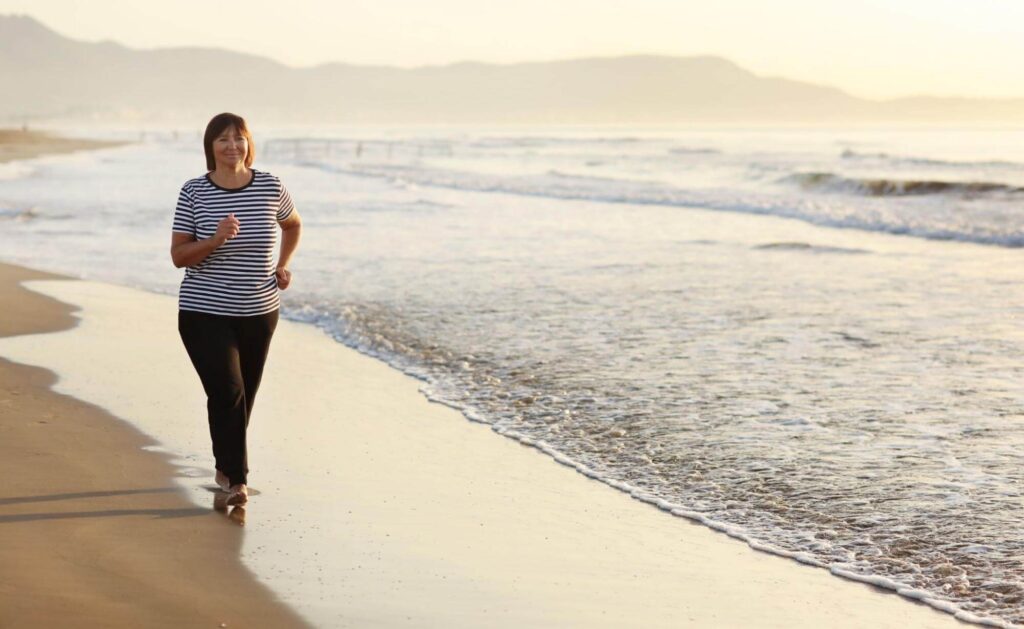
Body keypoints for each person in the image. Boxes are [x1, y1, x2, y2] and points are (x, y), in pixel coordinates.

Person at [170, 112, 302, 506]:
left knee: (243, 394)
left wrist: (284, 264)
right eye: (223, 140)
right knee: (228, 391)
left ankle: (225, 466)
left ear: (249, 143)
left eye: (239, 138)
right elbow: (179, 256)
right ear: (211, 148)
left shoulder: (270, 185)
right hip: (203, 312)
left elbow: (292, 225)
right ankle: (238, 480)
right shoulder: (194, 192)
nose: (232, 146)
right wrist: (214, 239)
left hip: (260, 311)